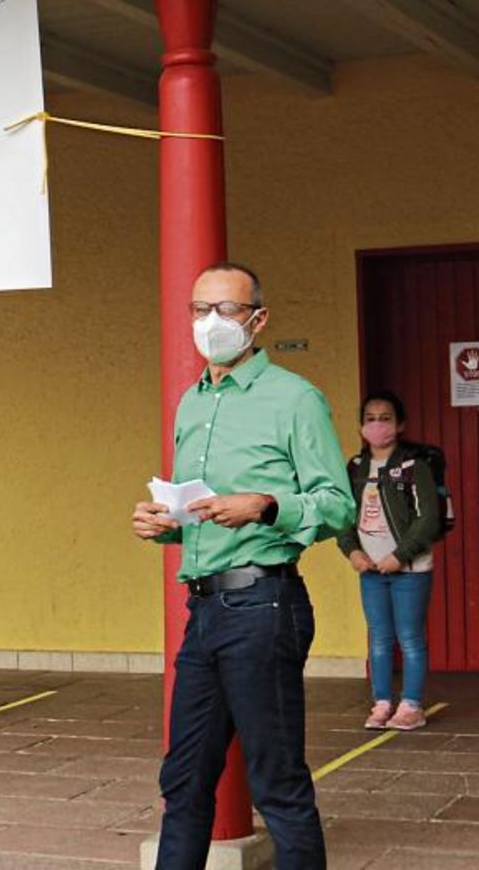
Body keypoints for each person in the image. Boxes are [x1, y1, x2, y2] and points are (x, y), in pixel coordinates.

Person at [130, 262, 353, 870]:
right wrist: (162, 525)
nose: (211, 323)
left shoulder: (295, 399)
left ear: (259, 319)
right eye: (200, 310)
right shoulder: (192, 403)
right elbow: (196, 512)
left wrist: (266, 505)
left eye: (226, 310)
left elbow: (337, 505)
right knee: (183, 780)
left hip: (263, 606)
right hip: (203, 609)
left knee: (276, 780)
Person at [335, 392, 441, 732]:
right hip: (371, 571)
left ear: (400, 425)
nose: (377, 425)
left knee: (409, 637)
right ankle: (381, 702)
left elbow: (429, 519)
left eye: (385, 418)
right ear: (361, 424)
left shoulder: (414, 466)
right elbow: (342, 515)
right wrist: (352, 551)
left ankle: (411, 705)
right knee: (379, 637)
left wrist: (400, 555)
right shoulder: (355, 468)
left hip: (409, 570)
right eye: (370, 418)